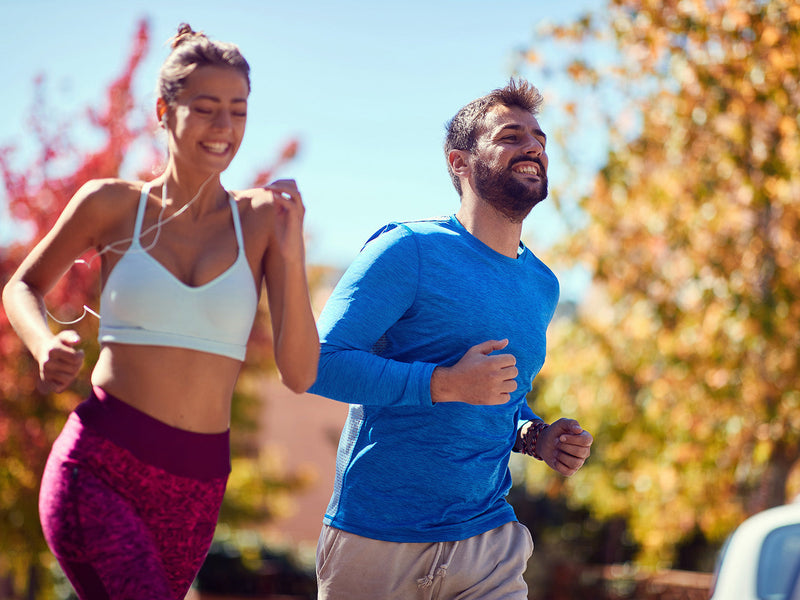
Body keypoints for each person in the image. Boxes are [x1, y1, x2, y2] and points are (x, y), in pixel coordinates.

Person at [1, 24, 319, 600]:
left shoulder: (265, 221)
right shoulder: (111, 204)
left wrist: (292, 252)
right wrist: (45, 346)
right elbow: (23, 286)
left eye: (237, 111)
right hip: (98, 466)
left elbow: (299, 374)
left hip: (196, 489)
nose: (223, 128)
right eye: (204, 108)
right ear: (162, 110)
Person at [308, 79, 593, 600]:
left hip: (486, 541)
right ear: (459, 163)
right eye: (511, 136)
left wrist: (535, 436)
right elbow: (319, 363)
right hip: (378, 540)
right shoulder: (407, 249)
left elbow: (501, 399)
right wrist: (443, 383)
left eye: (540, 138)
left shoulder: (542, 285)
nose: (534, 146)